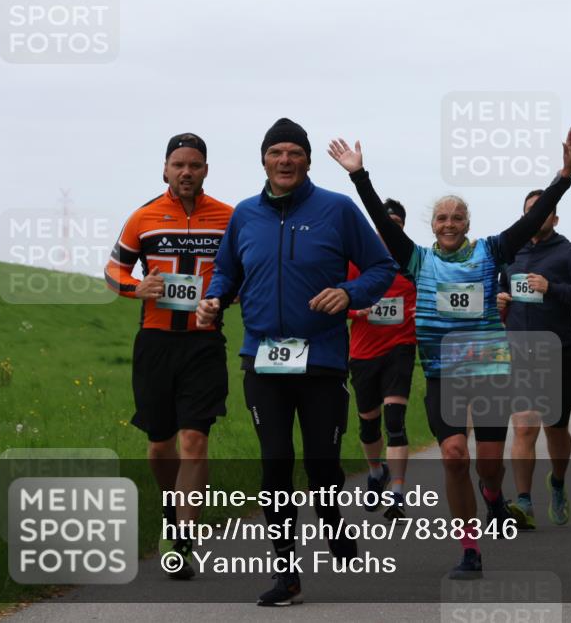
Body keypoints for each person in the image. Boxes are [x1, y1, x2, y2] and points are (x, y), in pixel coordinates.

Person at [328, 126, 571, 579]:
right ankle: (470, 549)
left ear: (468, 224)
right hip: (443, 375)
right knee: (452, 454)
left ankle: (493, 497)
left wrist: (563, 177)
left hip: (488, 373)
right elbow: (382, 225)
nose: (449, 225)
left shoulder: (491, 252)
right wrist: (360, 175)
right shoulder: (416, 260)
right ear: (432, 226)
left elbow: (529, 222)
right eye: (442, 219)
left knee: (488, 466)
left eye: (457, 219)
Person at [197, 118, 396, 606]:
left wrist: (348, 293)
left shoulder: (337, 210)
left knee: (322, 464)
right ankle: (286, 573)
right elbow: (226, 269)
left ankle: (332, 522)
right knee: (275, 462)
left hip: (323, 359)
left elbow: (382, 267)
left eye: (294, 153)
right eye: (276, 153)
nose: (284, 160)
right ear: (263, 160)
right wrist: (214, 298)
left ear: (307, 160)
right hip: (263, 357)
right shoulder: (245, 214)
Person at [104, 133, 233, 580]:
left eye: (195, 165)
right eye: (178, 164)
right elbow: (113, 269)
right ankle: (170, 506)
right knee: (160, 445)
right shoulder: (143, 217)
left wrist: (223, 297)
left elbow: (242, 271)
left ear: (205, 170)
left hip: (203, 343)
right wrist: (132, 286)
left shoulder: (227, 218)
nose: (186, 172)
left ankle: (183, 537)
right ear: (164, 169)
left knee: (194, 439)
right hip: (156, 343)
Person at [495, 189, 571, 530]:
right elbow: (501, 293)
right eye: (531, 211)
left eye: (544, 211)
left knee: (556, 429)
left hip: (559, 352)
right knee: (524, 425)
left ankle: (556, 481)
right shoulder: (510, 254)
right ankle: (523, 502)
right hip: (519, 352)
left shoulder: (569, 253)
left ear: (554, 218)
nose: (537, 216)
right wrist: (498, 303)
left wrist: (551, 287)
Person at [346, 198, 417, 520]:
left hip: (400, 348)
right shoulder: (357, 261)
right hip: (362, 351)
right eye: (384, 226)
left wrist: (422, 311)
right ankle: (376, 471)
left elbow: (433, 296)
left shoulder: (413, 263)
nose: (390, 232)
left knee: (395, 423)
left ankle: (398, 494)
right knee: (368, 424)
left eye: (396, 226)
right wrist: (355, 310)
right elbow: (338, 295)